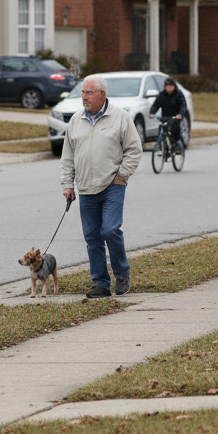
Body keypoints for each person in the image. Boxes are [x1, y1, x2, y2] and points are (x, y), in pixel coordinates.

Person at [61, 75, 143, 298]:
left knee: (110, 230)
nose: (84, 97)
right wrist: (68, 184)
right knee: (93, 238)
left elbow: (134, 150)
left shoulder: (120, 118)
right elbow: (67, 156)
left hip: (112, 185)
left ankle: (122, 272)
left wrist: (122, 175)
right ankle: (100, 283)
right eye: (83, 93)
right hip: (86, 188)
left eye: (89, 93)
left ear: (102, 94)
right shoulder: (76, 121)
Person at [148, 77, 187, 148]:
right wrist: (152, 113)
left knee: (175, 129)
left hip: (175, 117)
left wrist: (180, 114)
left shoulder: (178, 94)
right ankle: (163, 147)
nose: (169, 89)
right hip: (165, 116)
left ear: (174, 87)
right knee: (162, 129)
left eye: (170, 87)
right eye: (167, 87)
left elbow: (183, 106)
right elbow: (156, 105)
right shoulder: (162, 95)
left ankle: (176, 145)